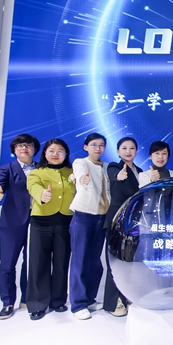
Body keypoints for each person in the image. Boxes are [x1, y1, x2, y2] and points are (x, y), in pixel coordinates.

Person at [0, 134, 40, 320]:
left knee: (31, 262)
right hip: (12, 223)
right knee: (8, 263)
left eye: (28, 145)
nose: (24, 148)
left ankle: (27, 298)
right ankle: (7, 302)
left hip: (37, 221)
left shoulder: (41, 168)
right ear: (14, 150)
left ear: (34, 148)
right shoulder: (7, 169)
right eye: (20, 146)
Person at [26, 139, 75, 320]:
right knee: (38, 264)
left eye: (60, 151)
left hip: (65, 222)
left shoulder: (73, 172)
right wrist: (42, 194)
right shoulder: (36, 173)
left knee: (61, 263)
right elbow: (33, 187)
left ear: (66, 154)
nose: (55, 154)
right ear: (45, 153)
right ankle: (37, 304)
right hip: (41, 223)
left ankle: (58, 300)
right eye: (51, 151)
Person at [69, 133, 111, 320]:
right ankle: (78, 304)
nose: (98, 148)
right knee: (80, 260)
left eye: (101, 145)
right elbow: (80, 175)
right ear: (86, 147)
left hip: (101, 217)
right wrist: (82, 180)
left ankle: (89, 298)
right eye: (94, 145)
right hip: (84, 215)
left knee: (94, 261)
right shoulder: (81, 162)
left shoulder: (107, 167)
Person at [103, 137, 143, 317]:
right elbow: (114, 176)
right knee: (115, 262)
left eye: (132, 148)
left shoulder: (140, 171)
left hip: (133, 221)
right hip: (116, 219)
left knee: (128, 261)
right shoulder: (114, 167)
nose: (128, 151)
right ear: (118, 151)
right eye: (124, 148)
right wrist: (119, 176)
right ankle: (113, 302)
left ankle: (126, 295)